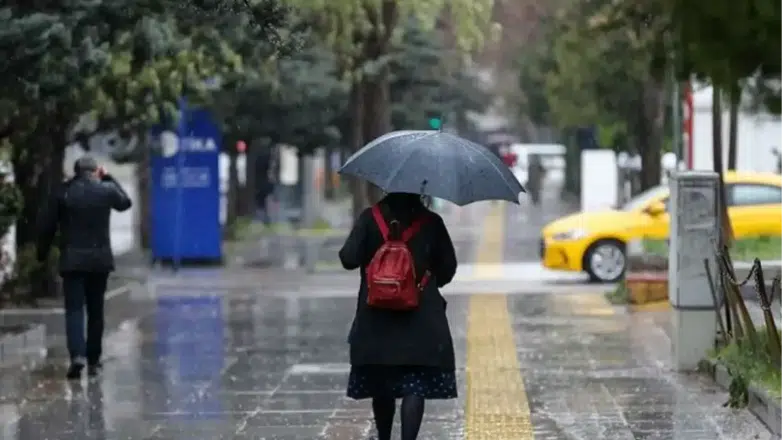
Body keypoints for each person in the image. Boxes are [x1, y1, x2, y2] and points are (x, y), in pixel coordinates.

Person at [338, 192, 458, 440]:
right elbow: (448, 270)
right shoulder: (431, 222)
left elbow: (348, 258)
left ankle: (383, 437)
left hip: (375, 320)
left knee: (382, 383)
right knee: (415, 385)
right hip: (421, 320)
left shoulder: (370, 219)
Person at [36, 156, 132, 380]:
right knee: (96, 310)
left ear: (76, 171)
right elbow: (125, 203)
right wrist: (108, 176)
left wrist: (42, 254)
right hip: (100, 262)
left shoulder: (64, 192)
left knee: (74, 310)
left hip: (72, 261)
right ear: (95, 171)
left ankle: (77, 356)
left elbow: (47, 225)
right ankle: (94, 358)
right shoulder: (106, 189)